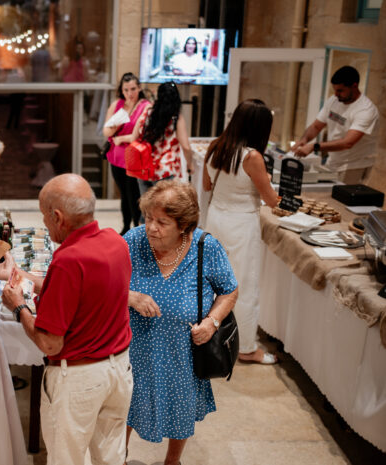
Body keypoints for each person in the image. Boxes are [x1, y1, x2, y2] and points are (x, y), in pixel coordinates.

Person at [0, 174, 133, 465]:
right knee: (111, 456)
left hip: (80, 379)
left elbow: (49, 343)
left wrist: (18, 307)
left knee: (67, 459)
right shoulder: (115, 242)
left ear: (58, 217)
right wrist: (15, 274)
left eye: (43, 216)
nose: (43, 223)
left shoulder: (68, 260)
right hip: (119, 371)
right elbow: (78, 286)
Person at [123, 180, 238, 465]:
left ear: (183, 225)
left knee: (181, 408)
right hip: (133, 347)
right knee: (123, 407)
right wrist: (131, 296)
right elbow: (104, 282)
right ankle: (118, 457)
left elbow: (229, 290)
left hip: (182, 353)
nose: (151, 227)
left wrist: (212, 322)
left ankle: (172, 461)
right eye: (149, 218)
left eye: (162, 222)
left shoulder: (205, 247)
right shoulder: (132, 241)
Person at [202, 99, 279, 364]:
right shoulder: (252, 156)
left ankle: (210, 333)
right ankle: (245, 347)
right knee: (242, 285)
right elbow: (271, 200)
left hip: (216, 220)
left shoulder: (216, 147)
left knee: (214, 282)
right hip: (241, 224)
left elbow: (206, 184)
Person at [293, 65, 379, 183]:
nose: (336, 94)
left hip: (353, 165)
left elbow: (348, 143)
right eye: (335, 90)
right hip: (333, 160)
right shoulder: (334, 100)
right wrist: (304, 139)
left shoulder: (365, 110)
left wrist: (314, 146)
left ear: (354, 86)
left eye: (340, 90)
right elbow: (316, 126)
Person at [102, 72, 152, 234]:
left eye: (133, 89)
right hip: (116, 158)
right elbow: (106, 131)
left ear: (139, 88)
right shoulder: (117, 104)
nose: (130, 93)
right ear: (121, 91)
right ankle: (125, 227)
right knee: (123, 194)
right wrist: (117, 125)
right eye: (126, 90)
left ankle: (137, 229)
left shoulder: (145, 106)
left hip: (134, 158)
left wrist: (120, 137)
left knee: (134, 194)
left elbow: (140, 135)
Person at [133, 82, 194, 193]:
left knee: (146, 208)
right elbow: (186, 146)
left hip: (144, 168)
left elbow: (135, 136)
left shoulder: (148, 112)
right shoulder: (176, 118)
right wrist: (190, 165)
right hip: (164, 170)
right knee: (163, 208)